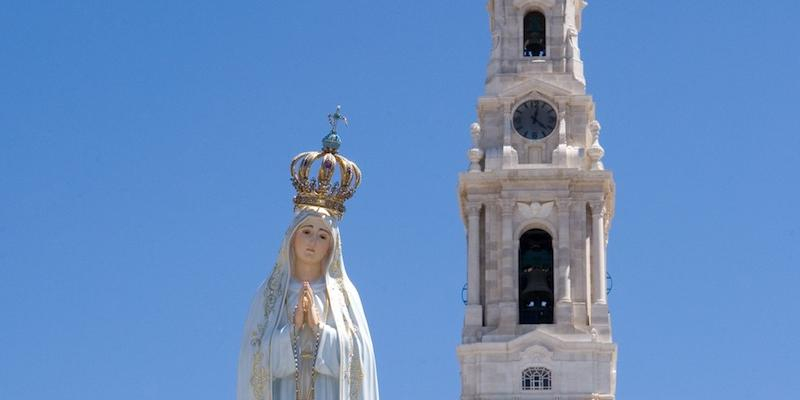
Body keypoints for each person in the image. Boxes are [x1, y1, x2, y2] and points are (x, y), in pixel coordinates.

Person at [238, 109, 377, 400]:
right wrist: (290, 333)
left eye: (322, 235)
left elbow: (360, 359)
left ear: (333, 246)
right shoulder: (269, 296)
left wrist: (319, 329)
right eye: (306, 231)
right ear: (291, 237)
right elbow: (252, 359)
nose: (313, 241)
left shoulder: (345, 296)